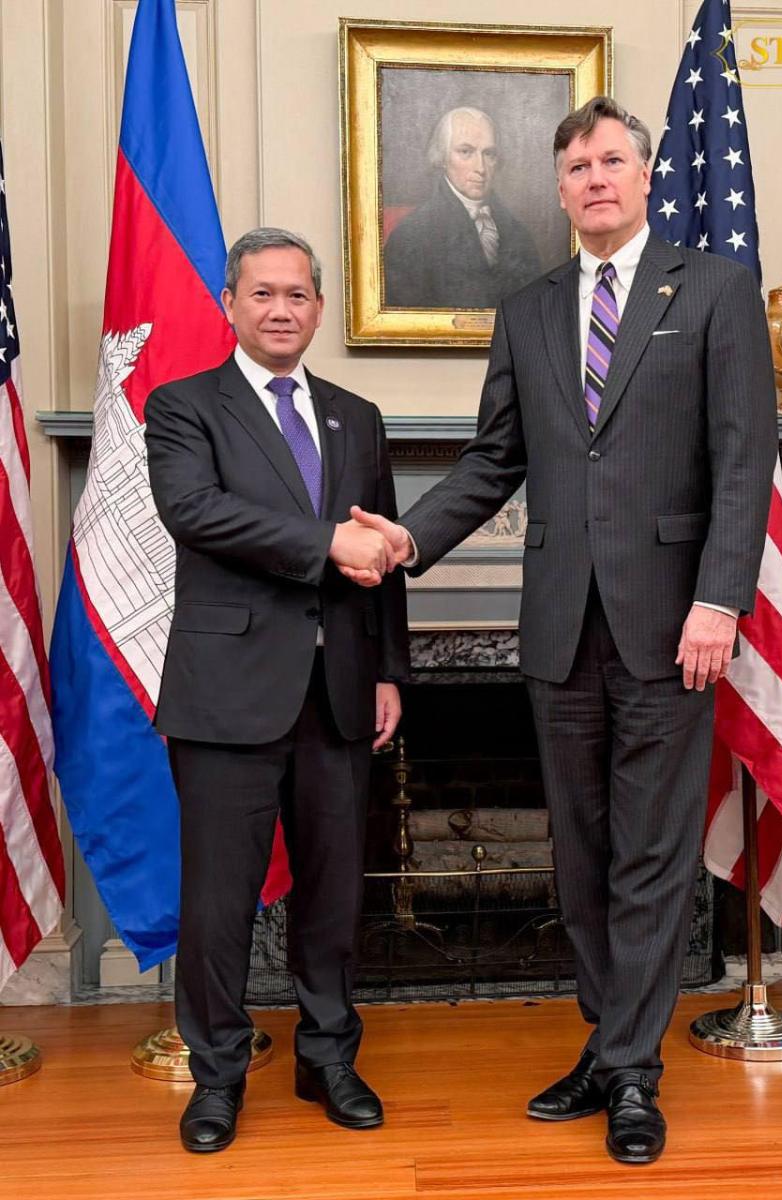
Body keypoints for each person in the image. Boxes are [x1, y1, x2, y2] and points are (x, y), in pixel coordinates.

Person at [349, 96, 777, 1165]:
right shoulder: (529, 309)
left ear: (644, 176)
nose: (594, 178)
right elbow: (495, 460)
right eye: (577, 165)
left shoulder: (713, 289)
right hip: (557, 629)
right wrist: (408, 539)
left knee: (651, 855)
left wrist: (719, 600)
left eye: (611, 161)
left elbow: (743, 460)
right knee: (581, 857)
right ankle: (612, 1042)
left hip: (674, 626)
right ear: (558, 187)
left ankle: (631, 1074)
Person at [145, 227, 410, 1153]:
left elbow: (385, 556)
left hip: (340, 690)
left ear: (320, 308)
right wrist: (326, 541)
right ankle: (217, 1075)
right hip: (227, 694)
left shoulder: (356, 416)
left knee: (334, 895)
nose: (281, 309)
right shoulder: (184, 406)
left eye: (297, 294)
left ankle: (327, 1058)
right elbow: (196, 512)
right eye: (262, 293)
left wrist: (388, 669)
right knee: (219, 902)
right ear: (230, 304)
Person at [383, 106, 542, 309]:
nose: (480, 168)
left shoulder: (519, 235)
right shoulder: (410, 237)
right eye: (465, 152)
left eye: (489, 154)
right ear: (443, 158)